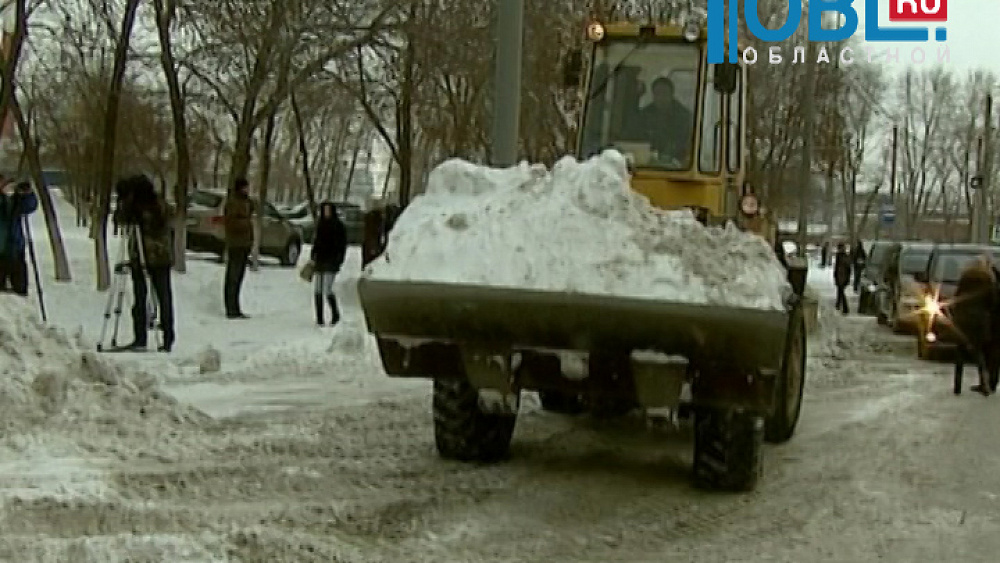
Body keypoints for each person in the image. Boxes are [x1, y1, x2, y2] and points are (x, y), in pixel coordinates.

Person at [113, 174, 176, 352]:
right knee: (139, 298)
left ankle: (167, 337)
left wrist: (137, 210)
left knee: (163, 298)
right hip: (140, 259)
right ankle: (140, 337)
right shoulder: (135, 207)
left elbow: (155, 222)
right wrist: (124, 203)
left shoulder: (157, 206)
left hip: (157, 258)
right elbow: (120, 221)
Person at [950, 255, 997, 396]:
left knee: (960, 354)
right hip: (980, 320)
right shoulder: (987, 279)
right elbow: (992, 301)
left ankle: (957, 386)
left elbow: (957, 297)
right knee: (979, 353)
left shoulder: (965, 278)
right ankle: (985, 384)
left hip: (963, 320)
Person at [632, 76, 693, 164]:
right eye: (657, 93)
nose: (661, 97)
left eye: (664, 93)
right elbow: (637, 138)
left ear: (671, 94)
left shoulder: (684, 116)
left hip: (678, 164)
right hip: (648, 162)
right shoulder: (644, 115)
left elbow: (686, 141)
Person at [310, 201, 348, 325]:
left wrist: (339, 259)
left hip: (331, 260)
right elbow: (316, 241)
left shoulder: (338, 226)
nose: (326, 213)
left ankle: (335, 314)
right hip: (320, 259)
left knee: (327, 289)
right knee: (317, 290)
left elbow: (342, 245)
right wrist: (313, 254)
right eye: (324, 210)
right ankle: (319, 317)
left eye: (328, 210)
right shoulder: (320, 225)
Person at [223, 177, 256, 319]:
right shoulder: (233, 203)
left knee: (239, 277)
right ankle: (231, 308)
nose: (247, 190)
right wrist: (245, 224)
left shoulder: (246, 202)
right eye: (245, 187)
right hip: (236, 243)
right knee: (233, 276)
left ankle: (235, 307)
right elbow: (230, 222)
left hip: (244, 244)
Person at [0, 178, 39, 296]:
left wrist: (27, 194)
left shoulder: (13, 201)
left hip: (15, 249)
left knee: (20, 289)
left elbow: (29, 207)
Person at [833, 242, 851, 315]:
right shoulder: (843, 256)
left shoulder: (841, 256)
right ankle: (838, 304)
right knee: (840, 291)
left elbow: (839, 267)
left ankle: (845, 308)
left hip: (842, 276)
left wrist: (836, 275)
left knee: (841, 291)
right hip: (842, 276)